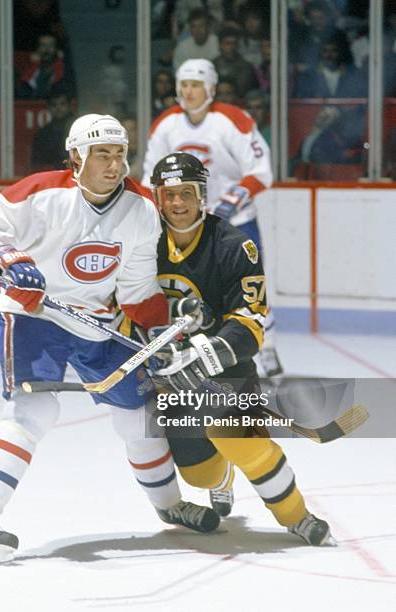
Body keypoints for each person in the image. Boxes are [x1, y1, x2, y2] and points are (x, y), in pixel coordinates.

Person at [0, 113, 219, 564]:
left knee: (138, 414)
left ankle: (170, 506)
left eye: (119, 154)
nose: (114, 165)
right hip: (34, 315)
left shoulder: (140, 210)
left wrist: (160, 336)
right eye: (102, 155)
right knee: (33, 409)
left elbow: (136, 290)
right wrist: (9, 260)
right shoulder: (42, 193)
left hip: (95, 321)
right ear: (76, 157)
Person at [148, 152, 332, 546]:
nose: (177, 204)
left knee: (242, 442)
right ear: (157, 198)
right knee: (199, 475)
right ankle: (222, 477)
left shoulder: (234, 245)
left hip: (225, 373)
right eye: (169, 195)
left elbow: (250, 324)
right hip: (170, 381)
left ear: (202, 195)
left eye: (186, 193)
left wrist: (203, 355)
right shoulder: (143, 244)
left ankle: (298, 516)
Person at [142, 58, 283, 377]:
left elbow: (261, 172)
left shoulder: (233, 120)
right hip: (186, 221)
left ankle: (267, 345)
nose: (189, 92)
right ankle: (201, 344)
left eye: (196, 85)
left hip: (235, 219)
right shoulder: (166, 123)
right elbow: (150, 174)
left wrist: (229, 203)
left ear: (211, 88)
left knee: (251, 284)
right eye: (184, 85)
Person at [30, 89, 76, 172]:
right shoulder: (43, 134)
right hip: (51, 174)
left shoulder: (78, 128)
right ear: (48, 108)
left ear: (69, 106)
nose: (58, 108)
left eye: (62, 104)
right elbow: (37, 163)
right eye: (54, 105)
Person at [17, 32, 67, 100]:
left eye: (51, 45)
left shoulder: (65, 72)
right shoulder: (29, 72)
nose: (47, 49)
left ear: (57, 49)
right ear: (37, 49)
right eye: (43, 45)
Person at [212, 28, 259, 99]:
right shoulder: (211, 65)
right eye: (228, 43)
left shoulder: (247, 67)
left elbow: (242, 91)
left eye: (235, 43)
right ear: (220, 45)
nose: (232, 47)